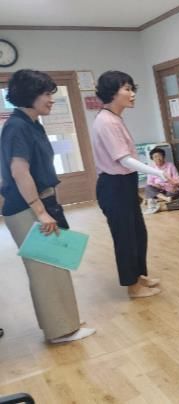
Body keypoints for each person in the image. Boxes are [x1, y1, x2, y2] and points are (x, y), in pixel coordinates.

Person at [0, 69, 95, 343]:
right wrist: (40, 211)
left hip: (43, 203)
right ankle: (60, 330)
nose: (51, 99)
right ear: (29, 95)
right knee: (44, 270)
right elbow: (19, 172)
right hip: (27, 208)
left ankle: (64, 321)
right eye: (45, 94)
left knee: (55, 265)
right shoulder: (16, 127)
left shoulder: (32, 123)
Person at [92, 70, 175, 298]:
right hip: (114, 186)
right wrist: (158, 172)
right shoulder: (107, 121)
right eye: (127, 89)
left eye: (132, 88)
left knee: (138, 233)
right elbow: (124, 159)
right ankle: (132, 286)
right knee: (126, 237)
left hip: (124, 184)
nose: (132, 94)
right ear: (112, 93)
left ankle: (139, 276)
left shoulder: (115, 118)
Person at [143, 147, 179, 214]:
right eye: (155, 157)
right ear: (152, 159)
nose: (158, 158)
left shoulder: (170, 165)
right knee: (148, 187)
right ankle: (166, 199)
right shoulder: (151, 168)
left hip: (169, 188)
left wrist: (173, 185)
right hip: (158, 189)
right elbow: (149, 182)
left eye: (159, 156)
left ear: (163, 156)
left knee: (174, 193)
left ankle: (154, 199)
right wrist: (156, 185)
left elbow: (177, 179)